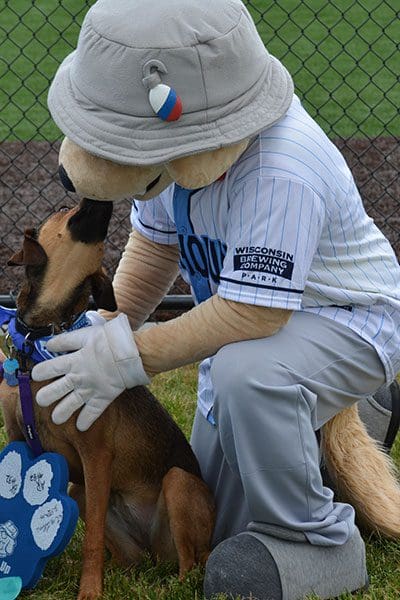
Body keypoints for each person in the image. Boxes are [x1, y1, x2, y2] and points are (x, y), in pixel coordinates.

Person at [31, 0, 400, 598]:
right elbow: (155, 250)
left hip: (344, 320)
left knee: (246, 376)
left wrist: (129, 353)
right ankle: (355, 414)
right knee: (218, 522)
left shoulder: (281, 168)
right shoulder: (175, 154)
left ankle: (321, 542)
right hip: (253, 338)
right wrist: (107, 322)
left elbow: (256, 313)